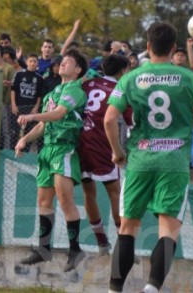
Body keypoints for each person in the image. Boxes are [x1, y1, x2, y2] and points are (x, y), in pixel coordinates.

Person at [105, 22, 193, 293]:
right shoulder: (189, 78)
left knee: (128, 227)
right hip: (174, 162)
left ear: (147, 47)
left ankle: (114, 290)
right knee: (168, 230)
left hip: (140, 160)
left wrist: (117, 152)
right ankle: (151, 288)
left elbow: (110, 120)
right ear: (173, 48)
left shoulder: (131, 78)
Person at [14, 49, 89, 273]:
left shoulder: (75, 90)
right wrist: (24, 140)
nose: (62, 63)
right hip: (47, 150)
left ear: (77, 70)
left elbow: (57, 115)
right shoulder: (54, 91)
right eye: (62, 61)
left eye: (68, 62)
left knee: (65, 201)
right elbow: (44, 125)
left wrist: (31, 115)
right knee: (44, 201)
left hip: (64, 149)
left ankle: (75, 250)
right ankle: (44, 249)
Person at [78, 54, 129, 252]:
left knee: (88, 191)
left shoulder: (88, 84)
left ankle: (101, 242)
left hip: (82, 141)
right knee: (115, 192)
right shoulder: (120, 89)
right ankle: (122, 244)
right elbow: (130, 119)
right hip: (103, 142)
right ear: (122, 71)